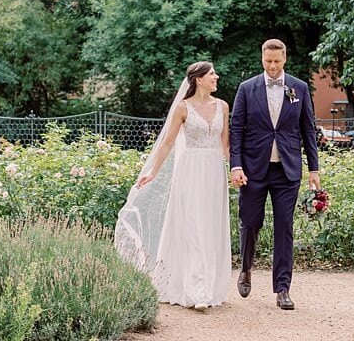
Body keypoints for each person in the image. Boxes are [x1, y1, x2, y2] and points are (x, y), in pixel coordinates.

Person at [114, 61, 232, 310]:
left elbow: (226, 145)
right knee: (193, 226)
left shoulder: (223, 106)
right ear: (198, 79)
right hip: (189, 172)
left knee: (210, 225)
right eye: (212, 74)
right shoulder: (183, 108)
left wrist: (237, 170)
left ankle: (210, 287)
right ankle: (196, 291)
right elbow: (167, 144)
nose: (216, 77)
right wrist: (152, 173)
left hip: (213, 173)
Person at [229, 39, 319, 310]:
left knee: (284, 227)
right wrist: (236, 165)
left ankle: (282, 288)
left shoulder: (299, 88)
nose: (272, 66)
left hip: (287, 170)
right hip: (254, 169)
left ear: (285, 59)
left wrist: (314, 168)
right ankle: (245, 268)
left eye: (277, 61)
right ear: (262, 59)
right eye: (268, 61)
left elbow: (308, 130)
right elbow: (236, 130)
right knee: (251, 222)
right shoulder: (247, 89)